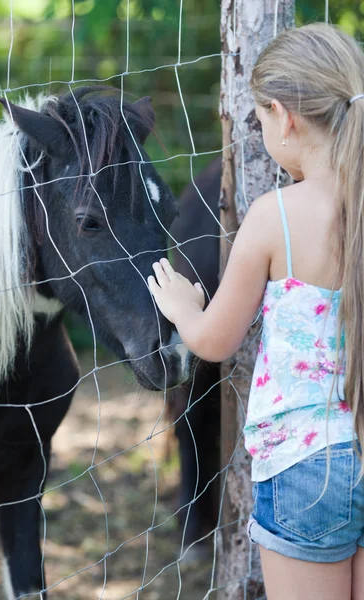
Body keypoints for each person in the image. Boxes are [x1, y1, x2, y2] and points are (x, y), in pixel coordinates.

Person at [148, 23, 364, 600]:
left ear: (283, 117)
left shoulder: (276, 217)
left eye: (260, 120)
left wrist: (185, 306)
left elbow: (216, 343)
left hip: (304, 467)